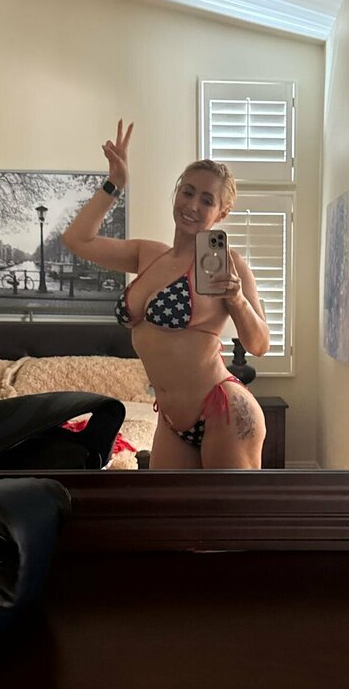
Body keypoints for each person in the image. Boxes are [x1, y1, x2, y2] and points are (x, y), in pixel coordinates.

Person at [62, 120, 270, 469]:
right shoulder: (147, 254)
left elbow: (259, 344)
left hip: (223, 410)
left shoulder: (230, 264)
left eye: (207, 200)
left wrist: (236, 299)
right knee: (168, 506)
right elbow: (77, 239)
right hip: (172, 421)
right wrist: (115, 183)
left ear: (222, 212)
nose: (192, 204)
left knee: (226, 508)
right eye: (187, 192)